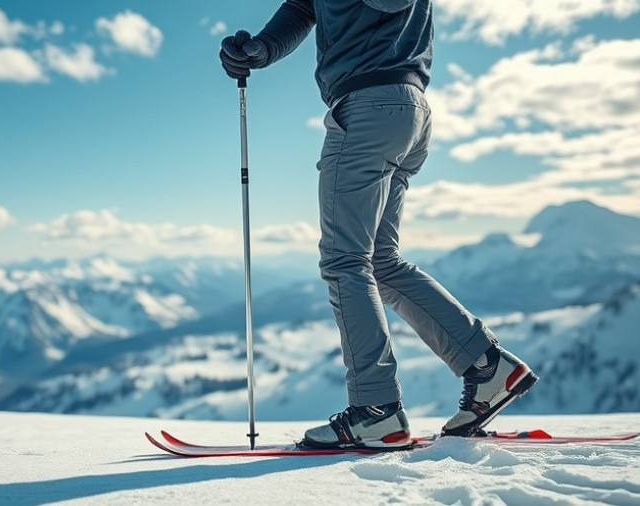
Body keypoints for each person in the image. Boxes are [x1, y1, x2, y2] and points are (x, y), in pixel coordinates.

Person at [219, 0, 538, 449]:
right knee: (380, 263)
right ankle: (487, 366)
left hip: (369, 106)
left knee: (345, 261)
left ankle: (376, 411)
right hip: (403, 108)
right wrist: (262, 48)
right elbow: (303, 6)